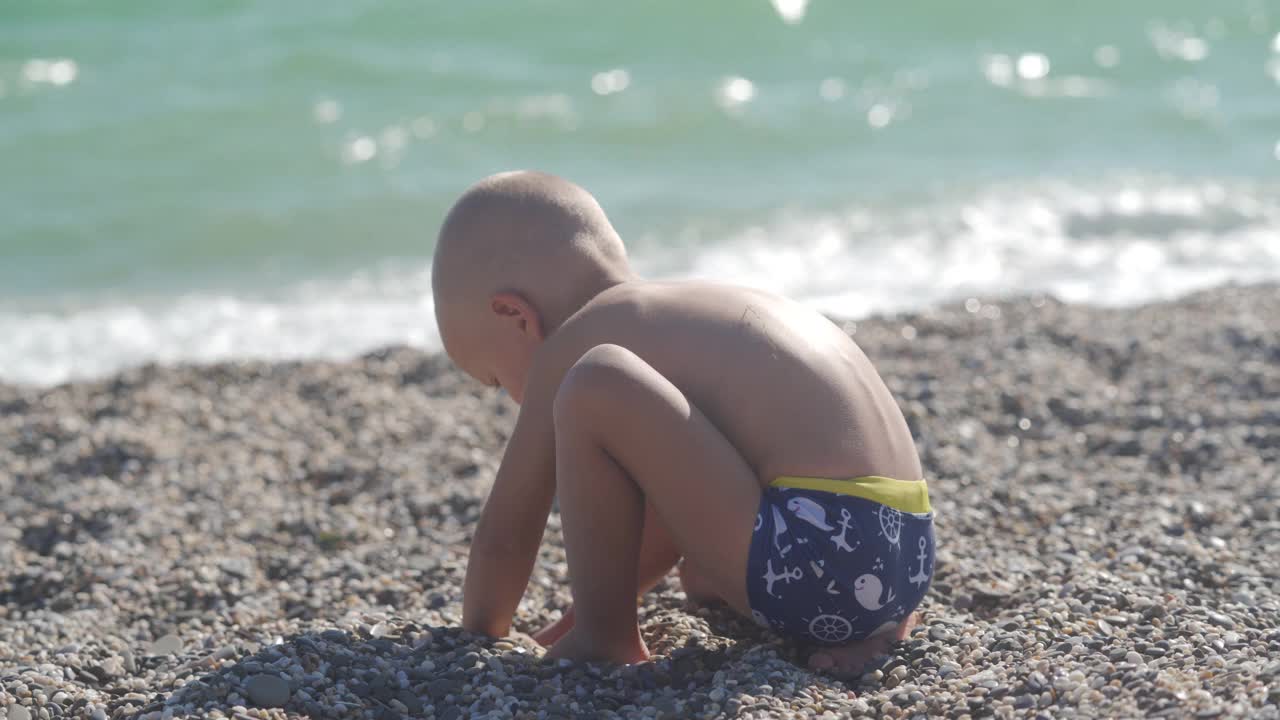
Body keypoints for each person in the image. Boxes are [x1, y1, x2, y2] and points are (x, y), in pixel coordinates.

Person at [431, 170, 934, 676]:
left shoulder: (577, 341)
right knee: (694, 521)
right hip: (903, 558)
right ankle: (851, 617)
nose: (512, 398)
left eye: (496, 380)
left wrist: (476, 634)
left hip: (816, 566)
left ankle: (603, 639)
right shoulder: (693, 313)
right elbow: (677, 502)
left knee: (593, 383)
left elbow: (507, 536)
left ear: (516, 316)